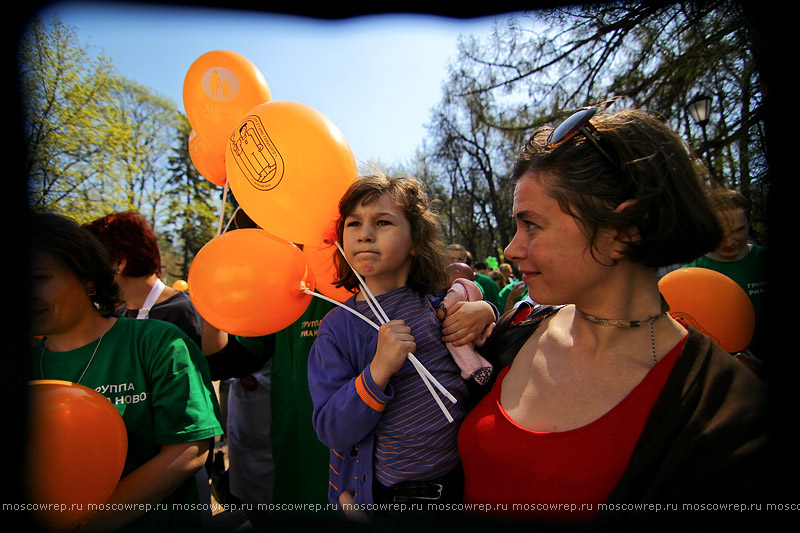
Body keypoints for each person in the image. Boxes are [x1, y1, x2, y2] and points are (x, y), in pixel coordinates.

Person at [457, 107, 770, 528]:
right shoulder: (515, 330)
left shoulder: (722, 411)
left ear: (627, 228)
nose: (511, 249)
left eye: (531, 224)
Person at [308, 174, 496, 515]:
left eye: (382, 222)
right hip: (393, 497)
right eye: (354, 224)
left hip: (463, 480)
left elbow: (486, 348)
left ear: (414, 241)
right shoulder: (336, 329)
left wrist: (485, 311)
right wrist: (378, 370)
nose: (365, 233)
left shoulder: (437, 303)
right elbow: (331, 429)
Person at [29, 212, 223, 532]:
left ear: (89, 277)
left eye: (38, 278)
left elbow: (189, 450)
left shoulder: (158, 343)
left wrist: (89, 522)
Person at [83, 211, 203, 348]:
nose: (88, 275)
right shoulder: (119, 315)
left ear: (118, 263)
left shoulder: (183, 311)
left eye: (93, 264)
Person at [683, 188, 768, 362]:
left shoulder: (765, 260)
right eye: (721, 233)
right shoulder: (689, 276)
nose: (729, 242)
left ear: (750, 220)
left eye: (738, 230)